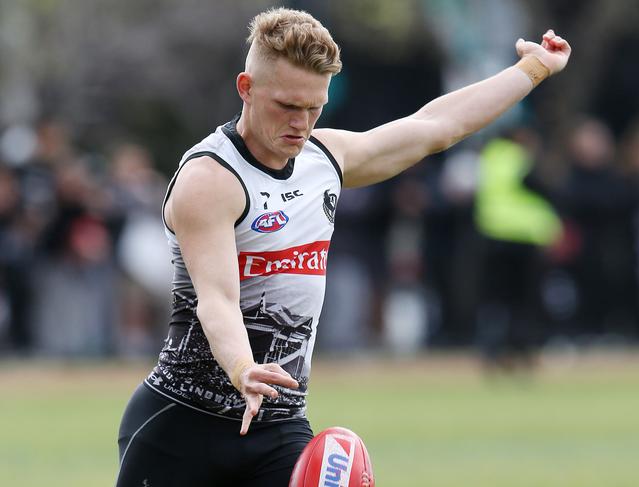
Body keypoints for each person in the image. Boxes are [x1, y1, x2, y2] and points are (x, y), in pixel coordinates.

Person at [115, 7, 571, 487]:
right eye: (288, 107)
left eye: (315, 108)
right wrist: (243, 366)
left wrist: (533, 69)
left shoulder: (323, 159)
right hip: (181, 428)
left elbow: (436, 127)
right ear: (246, 88)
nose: (302, 123)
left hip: (277, 427)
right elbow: (218, 300)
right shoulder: (210, 179)